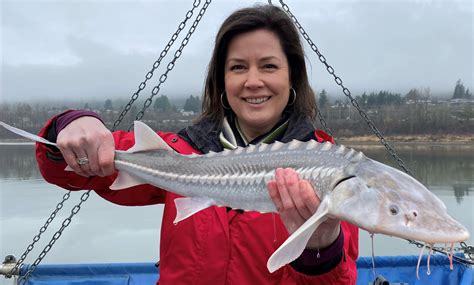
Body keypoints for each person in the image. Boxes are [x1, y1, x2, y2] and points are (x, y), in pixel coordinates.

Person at [36, 4, 358, 284]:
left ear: (293, 78)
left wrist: (320, 252)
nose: (253, 81)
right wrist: (73, 124)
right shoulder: (179, 151)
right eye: (238, 67)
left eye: (269, 66)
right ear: (222, 80)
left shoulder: (330, 170)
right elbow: (70, 170)